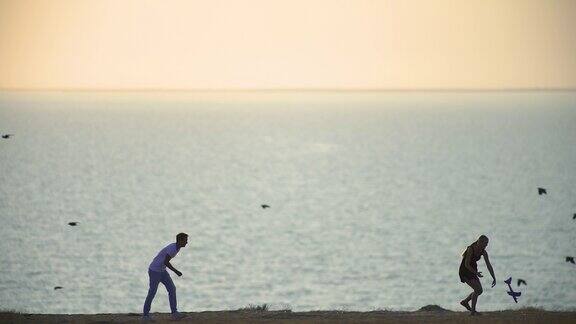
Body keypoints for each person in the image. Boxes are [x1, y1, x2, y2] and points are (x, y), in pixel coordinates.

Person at [143, 233, 188, 321]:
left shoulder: (177, 248)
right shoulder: (173, 249)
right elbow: (166, 262)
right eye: (185, 240)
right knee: (152, 292)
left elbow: (165, 262)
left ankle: (174, 313)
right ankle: (145, 316)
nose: (187, 242)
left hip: (162, 271)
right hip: (154, 271)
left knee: (172, 289)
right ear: (180, 240)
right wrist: (176, 271)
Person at [459, 235, 496, 315]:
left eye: (487, 244)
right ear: (479, 242)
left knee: (479, 290)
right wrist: (476, 273)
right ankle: (472, 312)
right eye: (485, 243)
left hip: (473, 271)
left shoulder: (483, 252)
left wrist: (494, 277)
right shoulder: (470, 249)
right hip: (465, 270)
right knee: (477, 289)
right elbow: (466, 264)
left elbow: (488, 265)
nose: (486, 245)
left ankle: (465, 302)